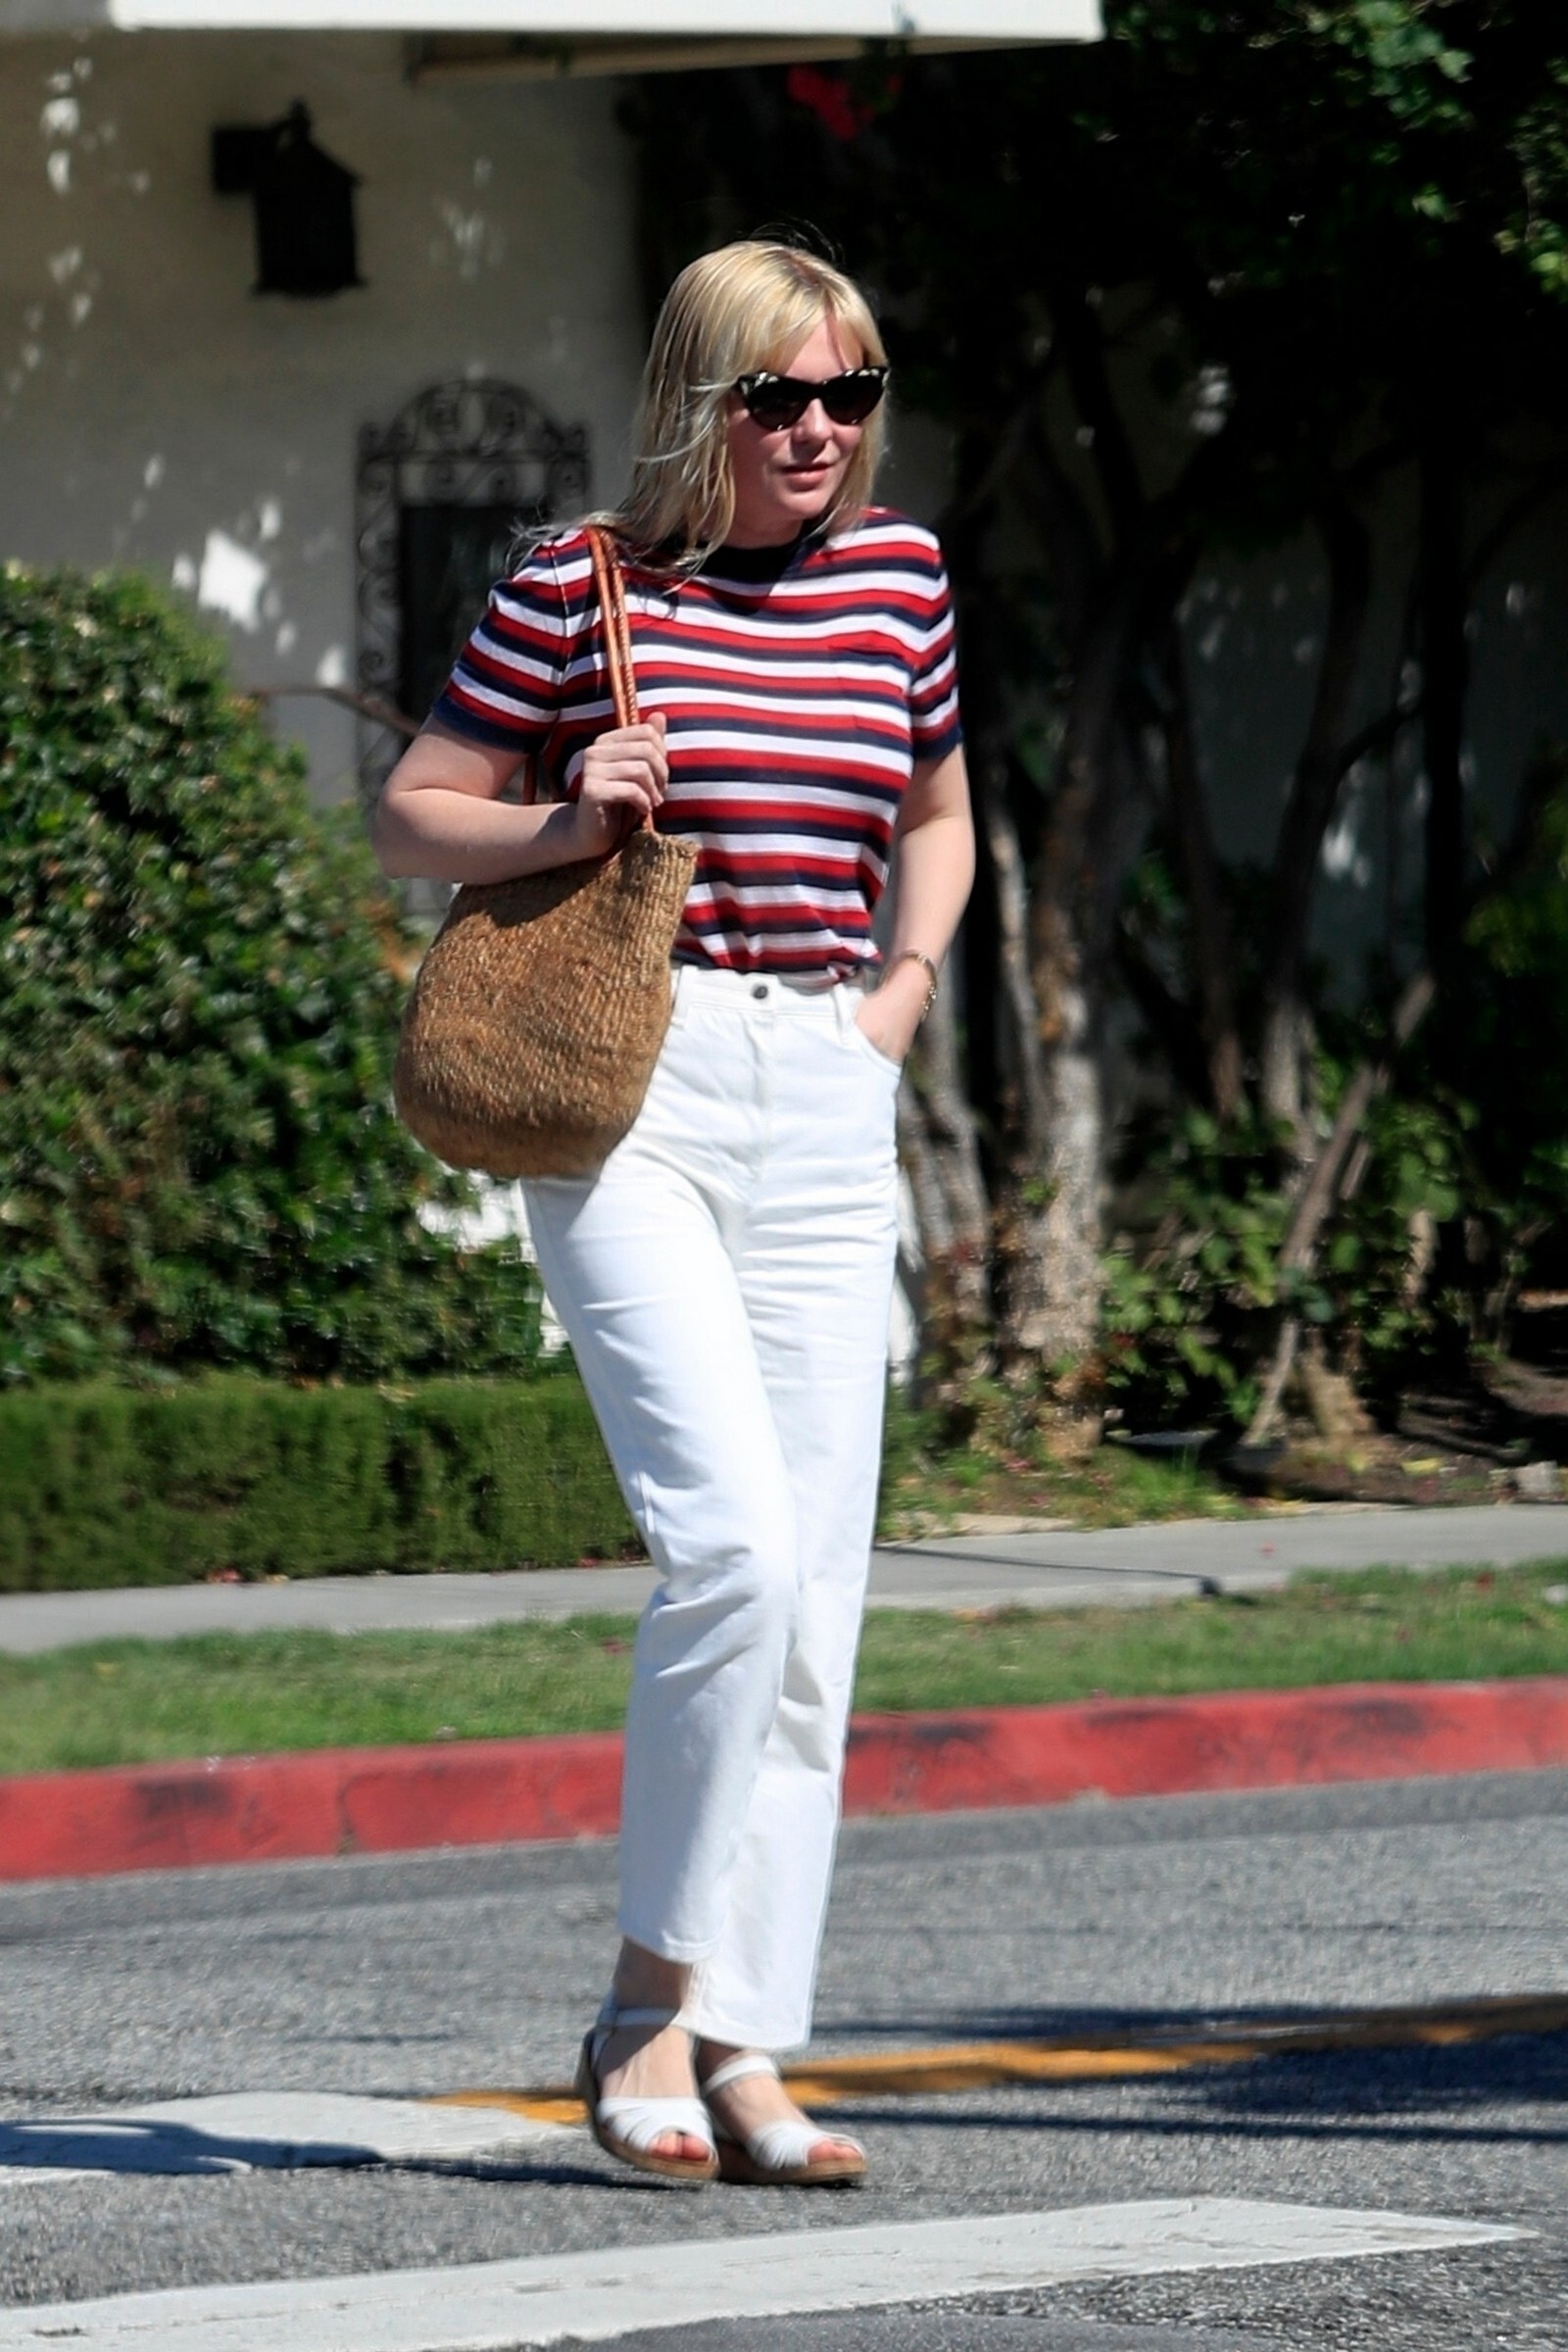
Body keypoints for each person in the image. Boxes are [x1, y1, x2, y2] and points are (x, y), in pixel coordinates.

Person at [373, 239, 974, 2187]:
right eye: (776, 396)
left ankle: (741, 2040)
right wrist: (567, 814)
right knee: (730, 1548)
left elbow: (938, 816)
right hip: (635, 1079)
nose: (818, 430)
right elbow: (413, 807)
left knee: (816, 1596)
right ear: (699, 400)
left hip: (826, 1079)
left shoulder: (900, 581)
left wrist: (893, 1002)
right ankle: (642, 2005)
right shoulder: (583, 583)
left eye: (848, 394)